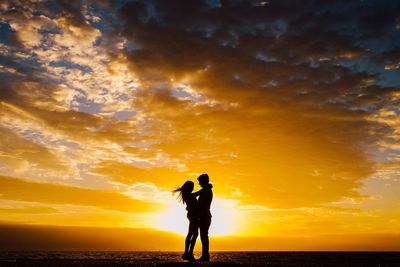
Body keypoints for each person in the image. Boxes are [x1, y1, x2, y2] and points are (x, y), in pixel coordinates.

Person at [173, 180, 198, 262]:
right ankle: (187, 253)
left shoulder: (187, 194)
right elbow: (196, 195)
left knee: (192, 234)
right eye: (192, 186)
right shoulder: (188, 195)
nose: (193, 188)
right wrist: (203, 190)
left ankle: (188, 253)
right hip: (192, 215)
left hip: (192, 215)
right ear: (188, 187)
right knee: (192, 234)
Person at [196, 173, 213, 262]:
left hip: (204, 216)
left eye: (200, 182)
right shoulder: (205, 190)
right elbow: (195, 194)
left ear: (203, 181)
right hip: (205, 216)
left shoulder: (206, 191)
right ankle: (205, 255)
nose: (199, 184)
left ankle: (205, 256)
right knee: (204, 236)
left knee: (204, 236)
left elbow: (201, 204)